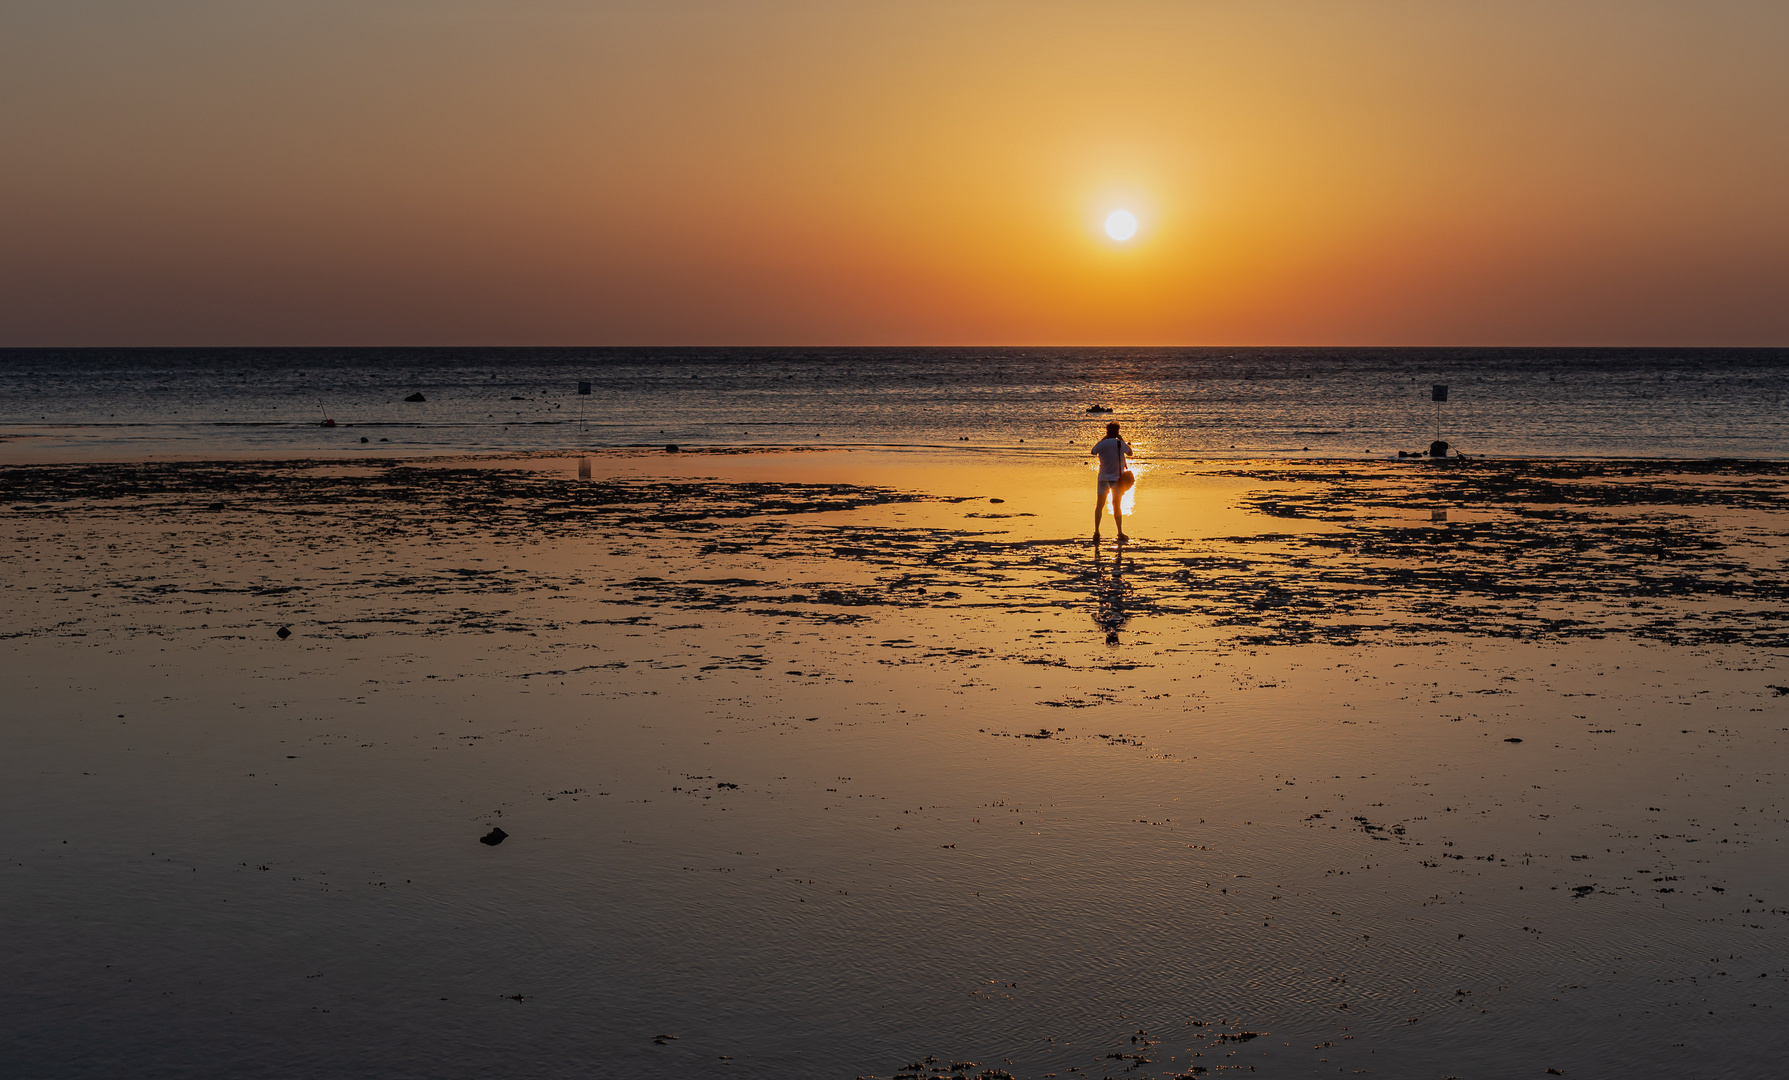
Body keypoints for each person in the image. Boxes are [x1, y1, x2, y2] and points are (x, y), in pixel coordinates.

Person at [1090, 422, 1133, 542]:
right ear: (1118, 431)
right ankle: (1119, 532)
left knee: (1099, 506)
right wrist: (1121, 439)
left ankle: (1097, 532)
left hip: (1103, 477)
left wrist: (1104, 438)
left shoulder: (1102, 444)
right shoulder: (1120, 443)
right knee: (1117, 506)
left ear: (1107, 431)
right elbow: (1130, 453)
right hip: (1117, 479)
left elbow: (1093, 451)